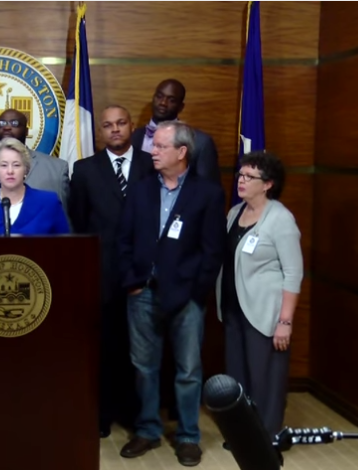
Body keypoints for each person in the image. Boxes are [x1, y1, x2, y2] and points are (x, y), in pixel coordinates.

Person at [117, 120, 225, 467]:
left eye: (161, 146)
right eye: (153, 145)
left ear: (182, 152)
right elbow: (124, 239)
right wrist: (131, 279)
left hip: (186, 297)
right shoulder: (141, 188)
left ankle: (188, 436)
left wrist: (197, 293)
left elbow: (213, 250)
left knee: (189, 369)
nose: (152, 151)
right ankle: (148, 430)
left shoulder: (207, 193)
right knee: (144, 367)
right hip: (142, 292)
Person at [68, 105, 154, 437]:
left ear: (132, 126)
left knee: (140, 350)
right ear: (100, 132)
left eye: (121, 123)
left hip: (142, 275)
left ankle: (134, 413)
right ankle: (101, 413)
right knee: (104, 347)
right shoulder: (85, 169)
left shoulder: (151, 166)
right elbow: (78, 224)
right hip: (101, 276)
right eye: (108, 125)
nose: (115, 129)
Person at [216, 151, 303, 442]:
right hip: (233, 308)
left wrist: (285, 322)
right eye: (240, 175)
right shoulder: (234, 213)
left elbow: (293, 274)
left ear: (267, 184)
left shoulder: (281, 219)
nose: (241, 181)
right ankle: (243, 435)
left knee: (266, 378)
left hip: (266, 312)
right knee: (238, 376)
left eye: (249, 177)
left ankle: (267, 438)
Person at [0, 137, 69, 235]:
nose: (10, 171)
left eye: (16, 165)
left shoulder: (49, 202)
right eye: (3, 165)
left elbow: (64, 247)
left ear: (26, 169)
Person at [131, 79, 221, 185]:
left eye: (171, 100)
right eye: (159, 96)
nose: (163, 103)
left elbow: (209, 190)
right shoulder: (132, 137)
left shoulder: (201, 142)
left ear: (181, 107)